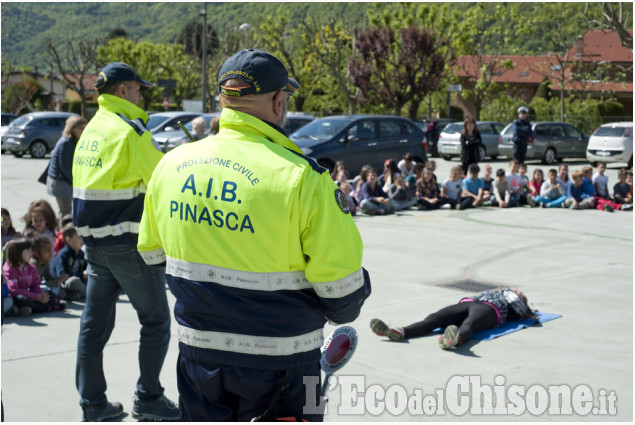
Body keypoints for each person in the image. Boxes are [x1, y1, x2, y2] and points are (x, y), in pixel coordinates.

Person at [137, 48, 371, 422]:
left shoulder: (171, 166)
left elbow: (151, 254)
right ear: (279, 101)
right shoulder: (302, 179)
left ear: (222, 100)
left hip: (198, 357)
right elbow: (343, 296)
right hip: (284, 367)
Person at [72, 62, 177, 422]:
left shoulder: (92, 130)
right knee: (157, 321)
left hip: (94, 245)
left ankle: (93, 405)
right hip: (128, 243)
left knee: (93, 326)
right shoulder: (130, 132)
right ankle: (148, 400)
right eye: (138, 88)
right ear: (122, 91)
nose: (141, 93)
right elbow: (166, 178)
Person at [370, 287, 536, 349]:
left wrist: (519, 297)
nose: (516, 289)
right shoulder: (501, 292)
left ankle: (455, 339)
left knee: (470, 324)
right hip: (468, 303)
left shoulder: (511, 299)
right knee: (434, 318)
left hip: (489, 310)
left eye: (519, 292)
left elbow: (521, 307)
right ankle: (400, 331)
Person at [3, 238, 65, 316]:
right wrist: (36, 297)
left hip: (30, 295)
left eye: (31, 250)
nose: (31, 253)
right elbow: (13, 290)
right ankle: (48, 307)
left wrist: (41, 295)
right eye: (28, 251)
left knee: (49, 293)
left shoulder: (31, 267)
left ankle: (31, 309)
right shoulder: (9, 269)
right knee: (20, 299)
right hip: (17, 296)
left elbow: (36, 285)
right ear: (17, 253)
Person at [46, 115, 87, 218]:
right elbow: (65, 167)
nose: (83, 130)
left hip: (62, 181)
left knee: (64, 211)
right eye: (81, 128)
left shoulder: (71, 141)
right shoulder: (67, 142)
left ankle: (63, 232)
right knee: (65, 212)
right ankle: (64, 233)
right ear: (72, 129)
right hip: (60, 182)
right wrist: (77, 182)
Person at [53, 224, 88, 300]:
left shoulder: (81, 253)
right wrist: (82, 275)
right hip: (65, 284)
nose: (82, 239)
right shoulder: (63, 254)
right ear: (69, 240)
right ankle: (88, 293)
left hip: (80, 282)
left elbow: (86, 269)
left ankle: (76, 294)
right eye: (79, 237)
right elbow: (63, 276)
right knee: (74, 281)